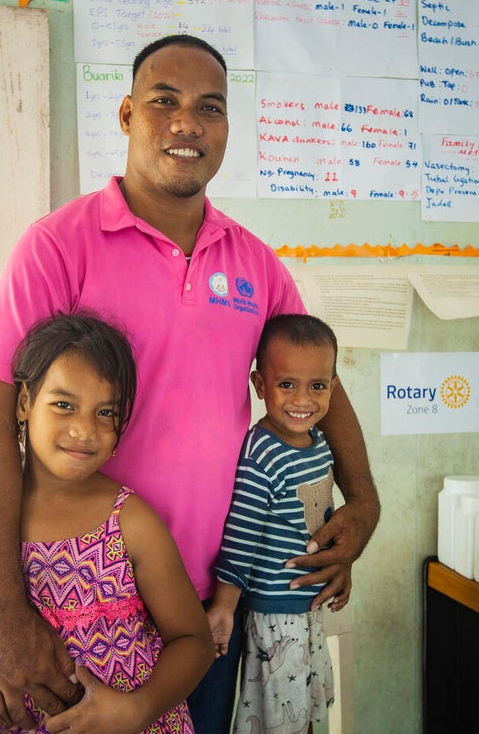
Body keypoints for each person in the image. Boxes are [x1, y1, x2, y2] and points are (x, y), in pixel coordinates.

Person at [0, 33, 380, 734]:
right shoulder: (59, 246)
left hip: (202, 617)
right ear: (125, 116)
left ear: (227, 129)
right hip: (72, 612)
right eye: (164, 102)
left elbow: (315, 385)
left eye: (209, 107)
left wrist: (362, 503)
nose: (187, 122)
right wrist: (3, 613)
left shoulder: (256, 266)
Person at [0, 313, 214, 734]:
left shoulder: (129, 521)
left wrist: (136, 710)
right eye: (64, 405)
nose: (85, 429)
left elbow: (194, 642)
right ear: (25, 402)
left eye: (105, 412)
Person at [207, 314, 342, 734]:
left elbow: (318, 517)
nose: (303, 399)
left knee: (304, 713)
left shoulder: (318, 441)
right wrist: (225, 607)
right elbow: (241, 536)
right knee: (279, 721)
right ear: (260, 385)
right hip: (275, 615)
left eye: (317, 386)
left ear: (333, 387)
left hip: (307, 608)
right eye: (287, 385)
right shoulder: (261, 452)